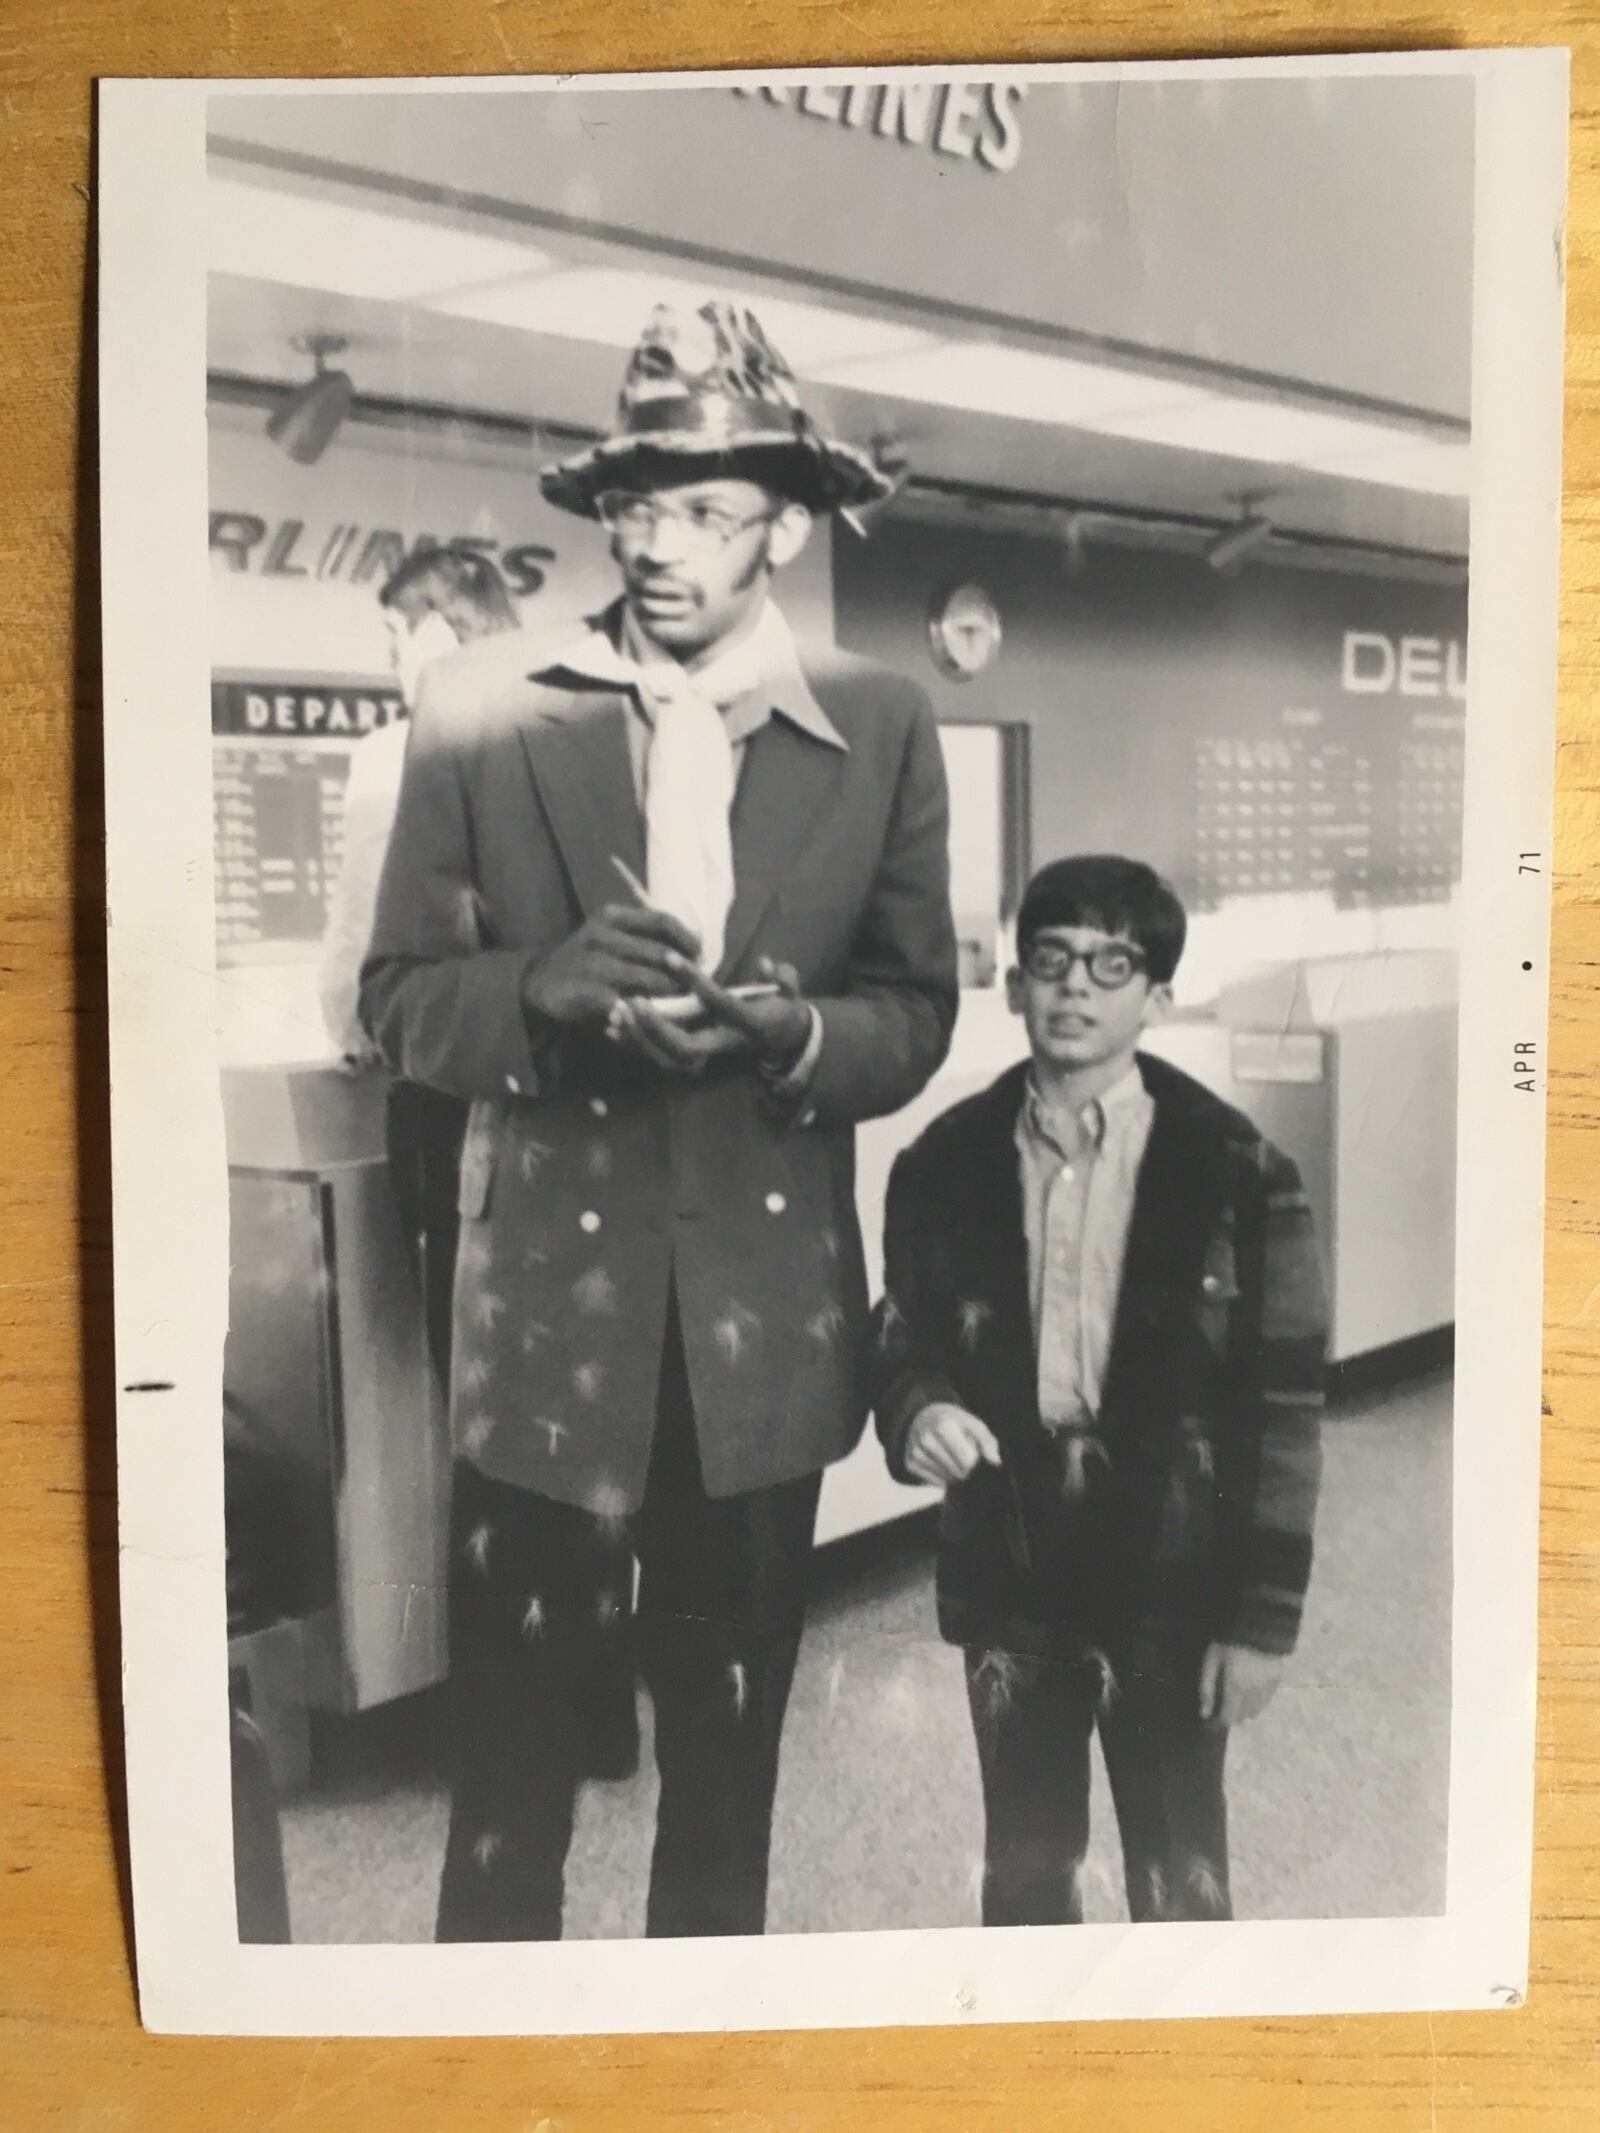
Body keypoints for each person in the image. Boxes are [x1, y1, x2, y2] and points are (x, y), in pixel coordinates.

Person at [359, 299, 959, 1941]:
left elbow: (916, 1005)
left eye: (703, 510)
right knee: (506, 1798)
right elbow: (397, 994)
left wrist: (802, 1033)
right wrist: (538, 988)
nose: (661, 544)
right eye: (637, 508)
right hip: (548, 1325)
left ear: (783, 518)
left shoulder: (883, 723)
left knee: (723, 1772)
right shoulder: (482, 707)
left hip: (758, 1339)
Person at [871, 855, 1326, 1927]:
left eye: (1110, 965)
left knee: (1179, 1875)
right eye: (1052, 961)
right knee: (1025, 1872)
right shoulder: (942, 1161)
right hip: (1011, 1571)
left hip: (1171, 1579)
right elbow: (900, 1334)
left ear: (1157, 998)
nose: (1075, 987)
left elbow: (1286, 1410)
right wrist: (918, 1406)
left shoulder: (1239, 1170)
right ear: (1014, 985)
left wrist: (1261, 1621)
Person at [319, 547, 522, 1390]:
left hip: (443, 1088)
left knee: (465, 1352)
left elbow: (362, 936)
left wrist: (349, 1027)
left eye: (395, 638)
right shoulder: (570, 731)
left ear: (436, 630)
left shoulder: (394, 754)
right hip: (554, 1083)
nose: (391, 661)